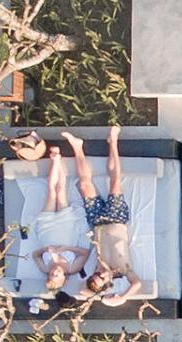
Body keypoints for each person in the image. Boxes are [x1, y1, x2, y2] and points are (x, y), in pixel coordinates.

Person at [62, 126, 148, 308]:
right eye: (101, 277)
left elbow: (82, 291)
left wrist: (99, 296)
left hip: (97, 223)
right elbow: (137, 284)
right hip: (116, 219)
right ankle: (113, 142)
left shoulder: (96, 269)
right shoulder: (124, 269)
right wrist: (122, 297)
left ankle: (77, 147)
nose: (100, 273)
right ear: (109, 283)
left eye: (96, 275)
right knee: (115, 184)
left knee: (84, 185)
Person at [29, 147, 91, 295]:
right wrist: (65, 249)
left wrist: (46, 250)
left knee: (51, 191)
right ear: (64, 277)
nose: (53, 272)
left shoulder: (44, 268)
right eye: (56, 276)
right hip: (66, 227)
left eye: (51, 275)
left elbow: (35, 255)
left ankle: (55, 160)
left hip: (47, 228)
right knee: (61, 191)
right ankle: (58, 159)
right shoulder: (72, 268)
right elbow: (85, 253)